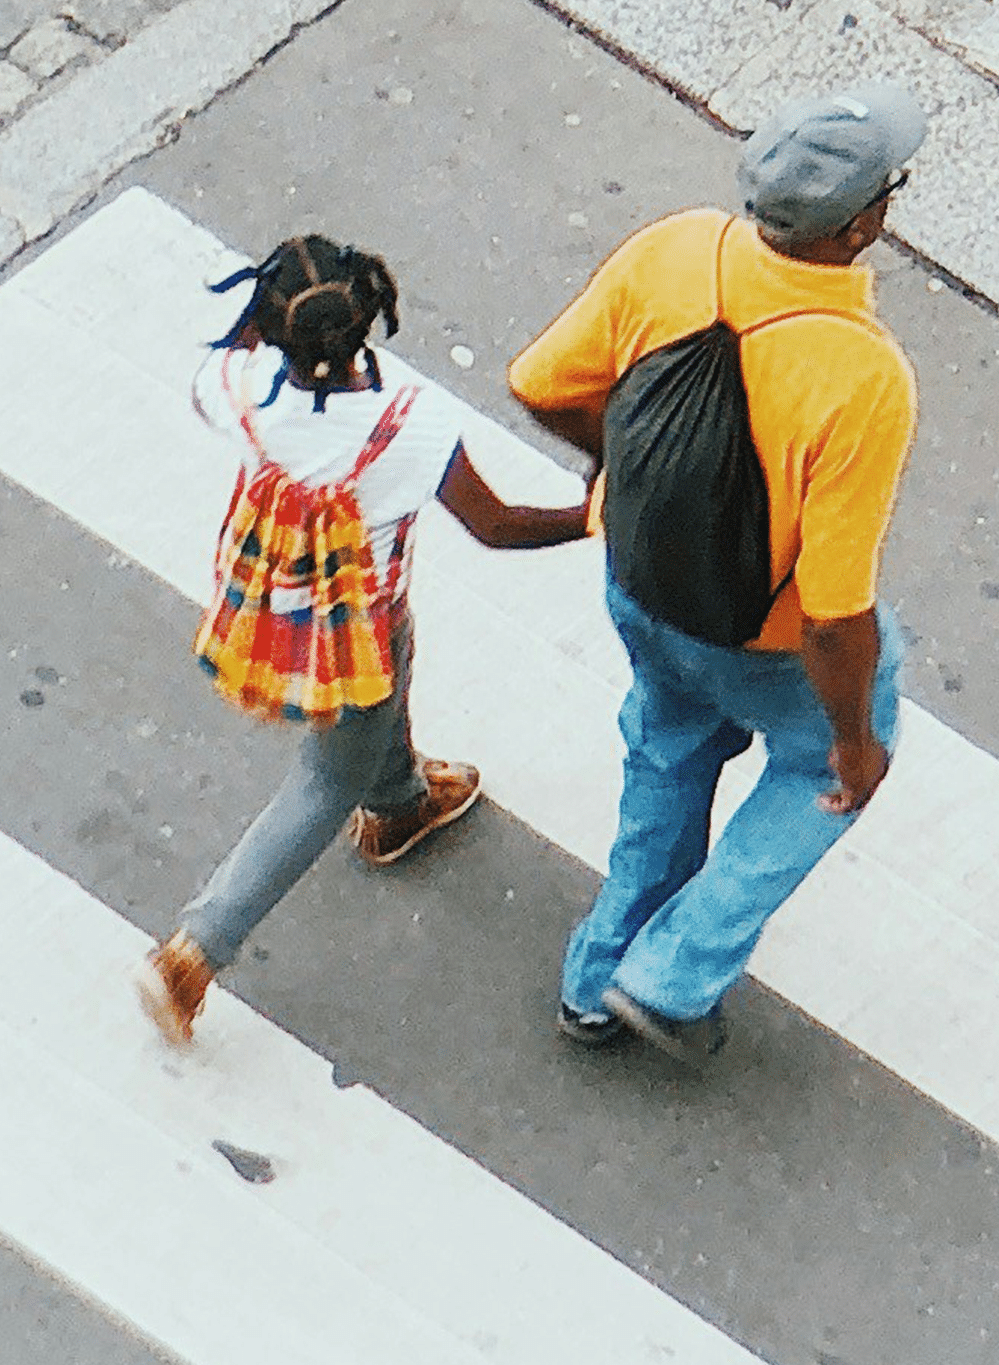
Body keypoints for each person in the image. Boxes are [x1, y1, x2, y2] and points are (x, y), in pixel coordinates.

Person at [508, 84, 927, 1063]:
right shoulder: (862, 376)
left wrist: (620, 472)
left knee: (669, 749)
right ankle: (669, 976)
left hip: (640, 583)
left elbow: (540, 383)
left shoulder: (674, 247)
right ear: (859, 221)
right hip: (764, 643)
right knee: (815, 771)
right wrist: (854, 744)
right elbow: (831, 616)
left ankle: (591, 982)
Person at [138, 234, 592, 1046]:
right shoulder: (409, 422)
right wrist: (593, 514)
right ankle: (195, 951)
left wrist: (265, 316)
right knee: (323, 781)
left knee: (378, 710)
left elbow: (234, 355)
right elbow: (497, 524)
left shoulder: (236, 388)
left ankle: (400, 805)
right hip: (354, 632)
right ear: (369, 320)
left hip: (275, 606)